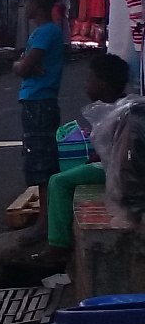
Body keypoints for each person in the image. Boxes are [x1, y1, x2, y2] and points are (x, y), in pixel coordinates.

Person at [45, 51, 130, 253]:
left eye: (90, 79)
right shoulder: (121, 105)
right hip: (116, 168)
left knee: (57, 181)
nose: (86, 84)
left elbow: (120, 153)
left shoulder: (116, 112)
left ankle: (58, 246)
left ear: (103, 83)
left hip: (118, 172)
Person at [15, 0, 68, 190]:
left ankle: (46, 217)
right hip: (35, 101)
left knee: (41, 159)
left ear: (36, 4)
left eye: (27, 1)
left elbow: (24, 66)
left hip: (39, 102)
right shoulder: (42, 32)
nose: (25, 6)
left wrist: (21, 65)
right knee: (38, 155)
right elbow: (27, 65)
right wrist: (24, 65)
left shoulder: (47, 32)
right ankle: (45, 214)